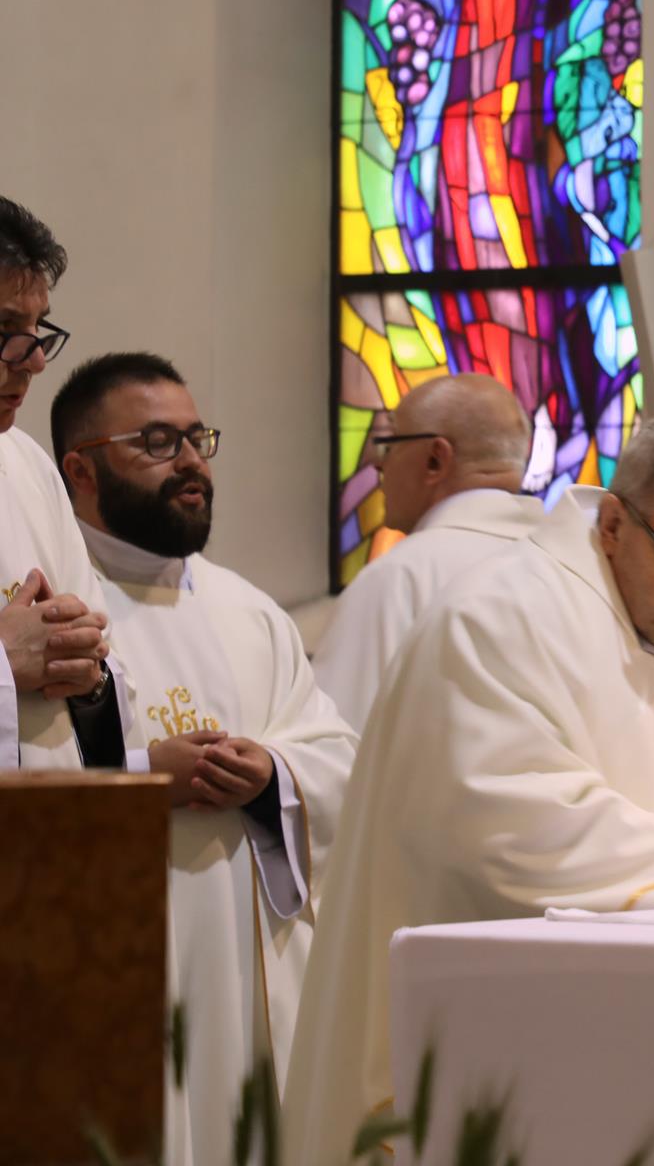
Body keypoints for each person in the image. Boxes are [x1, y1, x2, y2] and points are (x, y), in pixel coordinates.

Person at [282, 414, 654, 1161]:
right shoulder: (501, 617)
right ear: (613, 524)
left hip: (640, 1044)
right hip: (492, 1047)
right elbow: (502, 828)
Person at [51, 353, 358, 1166]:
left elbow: (336, 759)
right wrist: (142, 778)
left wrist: (273, 775)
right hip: (116, 970)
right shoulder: (53, 616)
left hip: (251, 982)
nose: (191, 462)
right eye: (157, 442)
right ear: (80, 471)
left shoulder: (250, 612)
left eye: (197, 438)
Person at [312, 372, 545, 729]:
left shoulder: (399, 579)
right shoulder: (565, 564)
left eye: (389, 444)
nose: (377, 463)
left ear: (436, 459)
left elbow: (337, 741)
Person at [0, 195, 141, 771]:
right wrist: (4, 663)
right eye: (6, 328)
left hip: (50, 819)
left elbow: (103, 666)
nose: (34, 360)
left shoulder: (28, 466)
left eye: (37, 329)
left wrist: (89, 674)